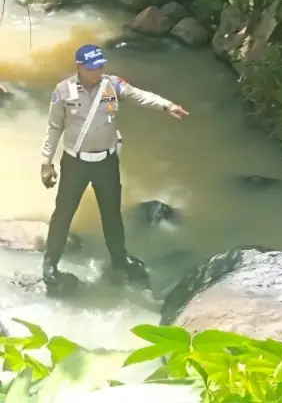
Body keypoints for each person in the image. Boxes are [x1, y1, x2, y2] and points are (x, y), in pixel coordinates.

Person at [40, 44, 188, 287]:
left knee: (111, 214)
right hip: (75, 163)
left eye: (100, 66)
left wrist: (166, 105)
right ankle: (51, 264)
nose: (98, 71)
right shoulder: (63, 91)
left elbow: (139, 95)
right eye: (92, 68)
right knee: (63, 215)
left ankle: (120, 259)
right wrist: (46, 163)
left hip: (107, 162)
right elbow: (54, 127)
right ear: (79, 68)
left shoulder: (113, 85)